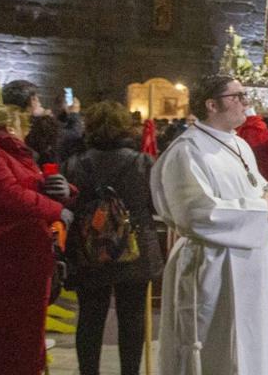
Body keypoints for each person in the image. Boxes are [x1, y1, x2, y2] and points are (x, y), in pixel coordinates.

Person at [150, 74, 268, 375]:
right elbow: (196, 213)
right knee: (218, 349)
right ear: (211, 105)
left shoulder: (239, 143)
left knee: (253, 342)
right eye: (237, 96)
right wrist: (261, 208)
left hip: (252, 264)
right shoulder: (187, 150)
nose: (246, 102)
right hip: (214, 266)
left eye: (244, 95)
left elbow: (253, 187)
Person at [0, 103, 75, 375]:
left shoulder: (11, 155)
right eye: (23, 127)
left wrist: (64, 190)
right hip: (1, 266)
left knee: (23, 344)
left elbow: (30, 186)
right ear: (10, 128)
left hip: (21, 267)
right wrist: (56, 210)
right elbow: (3, 193)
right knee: (5, 348)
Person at [62, 102, 162, 375]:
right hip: (135, 249)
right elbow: (156, 206)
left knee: (91, 318)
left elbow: (67, 205)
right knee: (132, 319)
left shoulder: (74, 164)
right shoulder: (142, 163)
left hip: (89, 250)